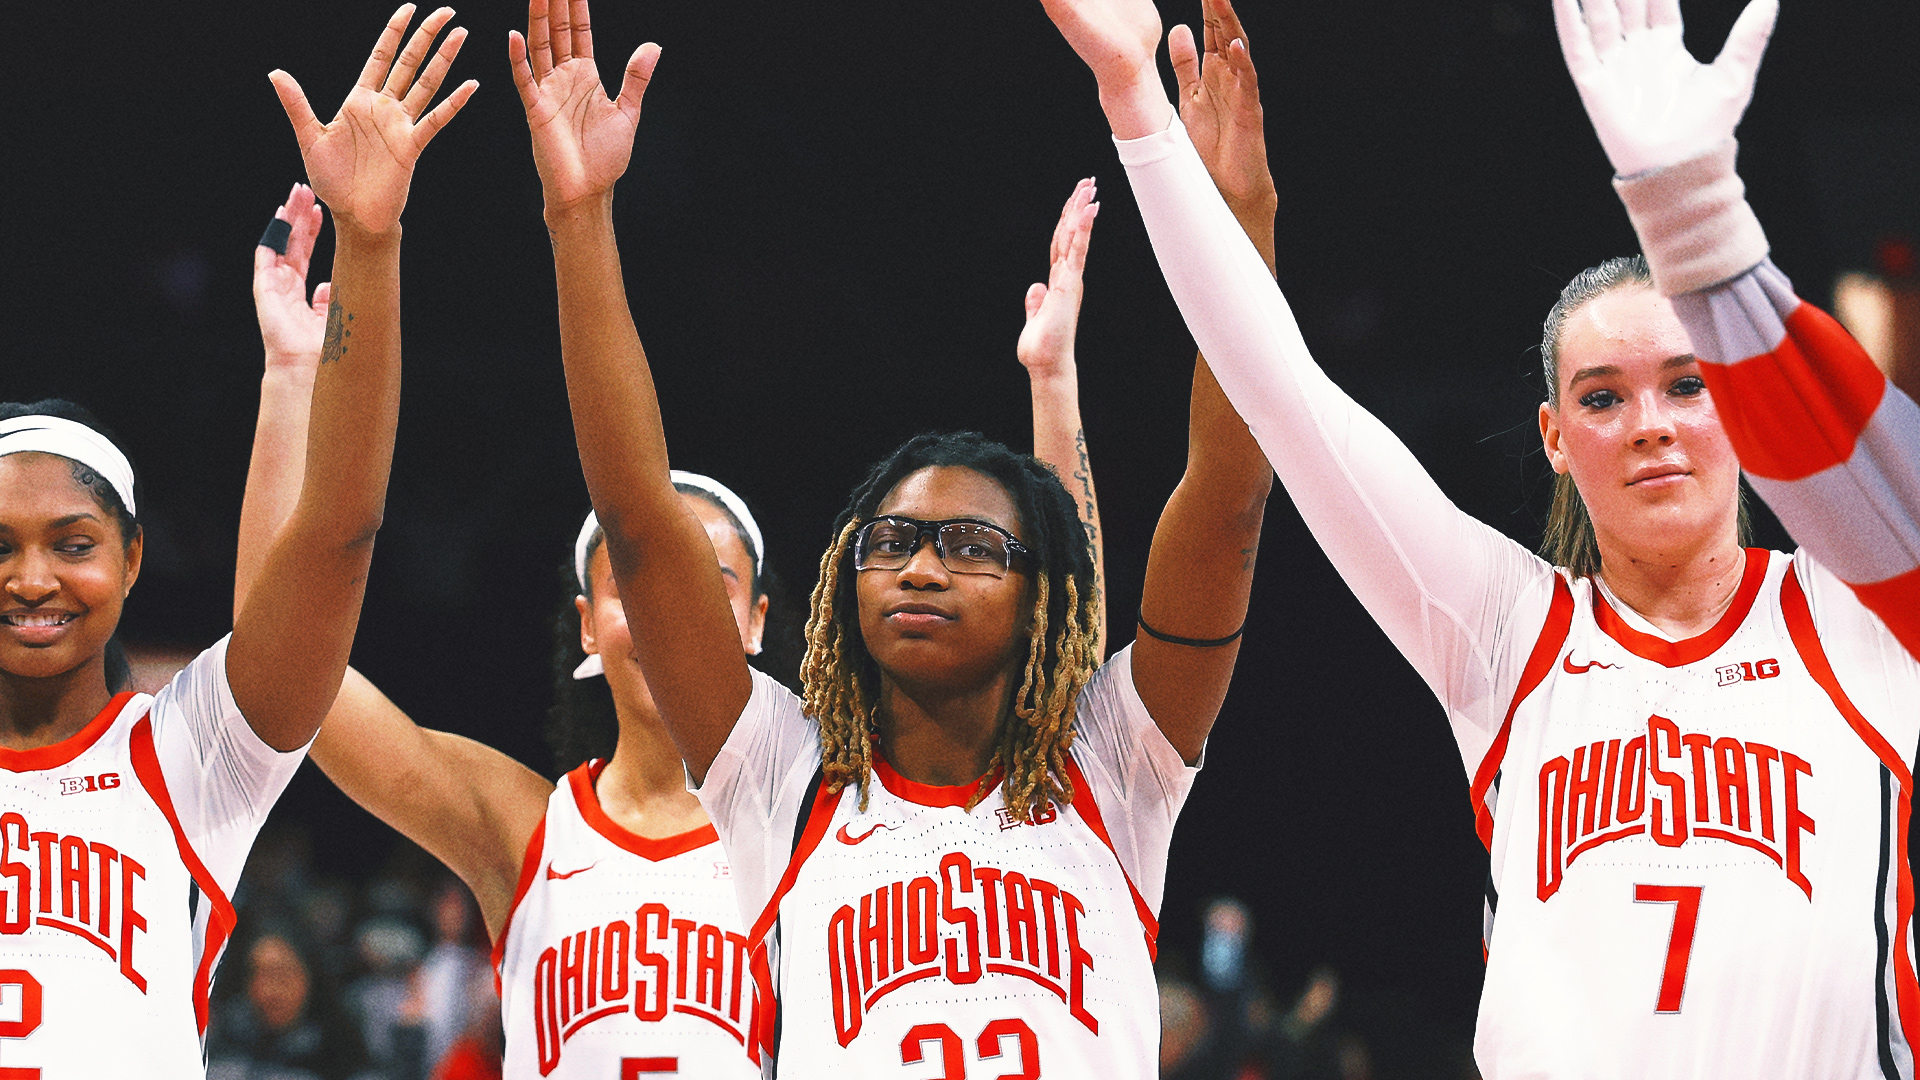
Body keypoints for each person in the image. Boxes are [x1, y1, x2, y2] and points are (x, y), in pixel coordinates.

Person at [1038, 0, 1920, 1074]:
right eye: (1603, 398)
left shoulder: (1857, 613)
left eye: (1689, 384)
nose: (1649, 424)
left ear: (1740, 399)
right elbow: (1286, 400)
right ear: (1554, 439)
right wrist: (1136, 103)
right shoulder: (1509, 628)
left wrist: (1700, 219)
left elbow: (1892, 468)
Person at [234, 71, 1116, 1080]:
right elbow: (279, 660)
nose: (662, 614)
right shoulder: (527, 828)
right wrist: (290, 379)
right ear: (586, 623)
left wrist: (1054, 385)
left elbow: (1059, 667)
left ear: (758, 622)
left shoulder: (816, 807)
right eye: (632, 588)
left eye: (711, 583)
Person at [511, 0, 1273, 1072]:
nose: (920, 566)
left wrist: (1238, 217)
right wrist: (578, 215)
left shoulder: (1112, 766)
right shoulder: (784, 778)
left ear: (1042, 601)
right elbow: (638, 520)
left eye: (971, 547)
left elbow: (1228, 494)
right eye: (891, 542)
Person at [0, 7, 469, 1073]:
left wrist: (368, 248)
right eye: (0, 547)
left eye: (72, 543)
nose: (32, 579)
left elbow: (337, 535)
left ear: (132, 560)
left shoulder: (188, 757)